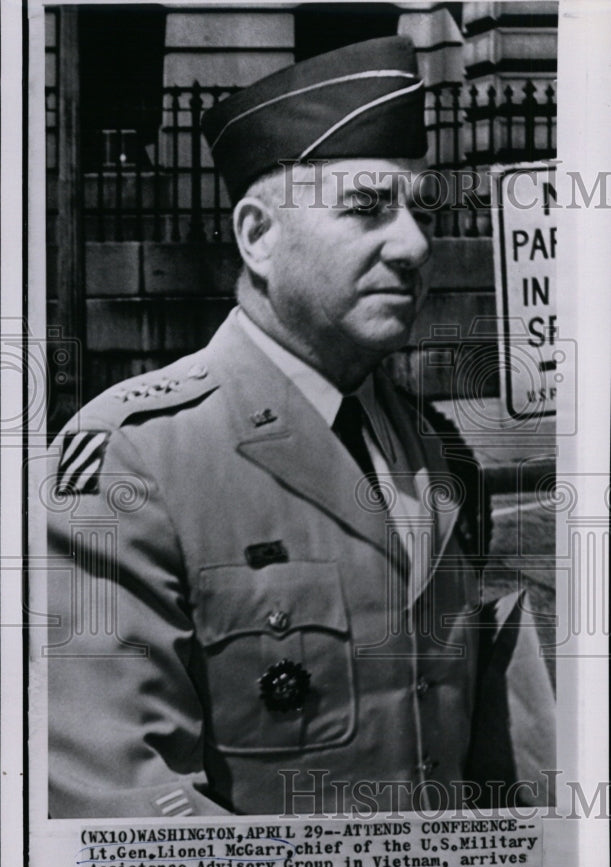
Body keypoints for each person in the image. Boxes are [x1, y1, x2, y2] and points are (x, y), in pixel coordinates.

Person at [47, 36, 555, 818]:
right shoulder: (134, 459)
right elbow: (119, 804)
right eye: (365, 208)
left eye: (422, 210)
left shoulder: (433, 447)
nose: (415, 244)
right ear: (257, 236)